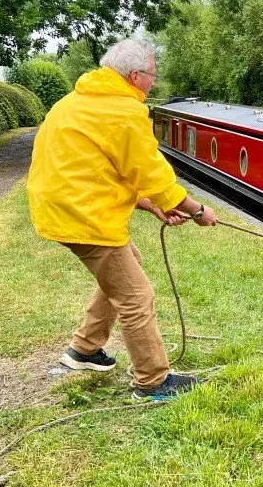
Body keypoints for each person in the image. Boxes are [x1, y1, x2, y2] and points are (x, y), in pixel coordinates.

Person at [26, 38, 218, 400]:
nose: (154, 83)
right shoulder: (122, 112)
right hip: (82, 215)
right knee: (135, 296)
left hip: (63, 206)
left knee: (126, 268)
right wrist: (197, 210)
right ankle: (153, 382)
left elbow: (99, 168)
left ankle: (84, 350)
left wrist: (151, 206)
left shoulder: (76, 102)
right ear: (134, 76)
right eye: (151, 76)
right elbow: (152, 175)